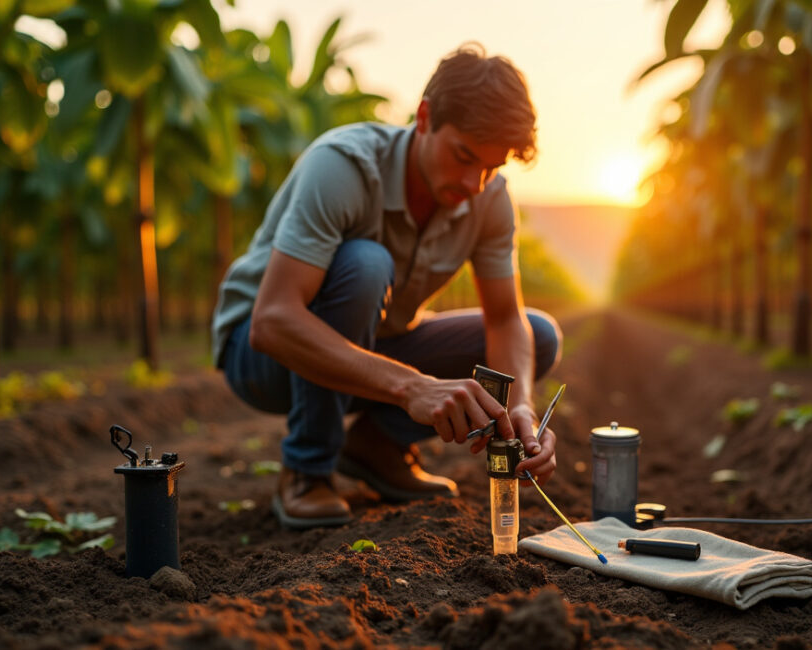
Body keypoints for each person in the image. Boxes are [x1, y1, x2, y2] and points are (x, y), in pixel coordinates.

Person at [211, 43, 562, 529]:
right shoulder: (345, 166)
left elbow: (505, 318)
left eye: (491, 167)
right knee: (366, 264)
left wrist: (521, 405)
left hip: (374, 344)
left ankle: (376, 447)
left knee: (537, 336)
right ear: (424, 117)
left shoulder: (490, 200)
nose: (474, 183)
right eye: (463, 156)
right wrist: (411, 387)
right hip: (263, 358)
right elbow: (272, 322)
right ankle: (307, 470)